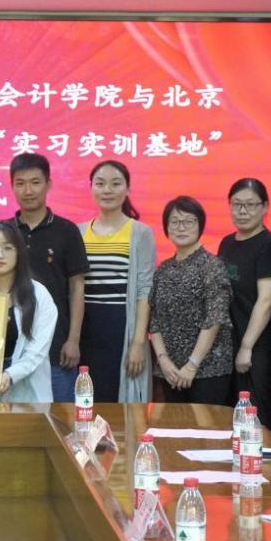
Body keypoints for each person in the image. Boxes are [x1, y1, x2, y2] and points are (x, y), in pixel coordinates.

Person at [7, 154, 88, 401]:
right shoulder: (4, 232)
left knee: (60, 418)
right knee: (12, 420)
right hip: (11, 352)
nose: (28, 190)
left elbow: (77, 288)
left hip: (56, 349)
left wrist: (73, 340)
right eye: (20, 183)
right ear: (12, 186)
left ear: (48, 184)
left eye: (35, 182)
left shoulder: (67, 231)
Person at [77, 160, 155, 402]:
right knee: (86, 396)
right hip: (85, 327)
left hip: (121, 325)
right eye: (100, 184)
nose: (107, 190)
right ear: (91, 188)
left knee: (117, 400)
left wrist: (138, 342)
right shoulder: (78, 231)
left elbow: (145, 290)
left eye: (116, 183)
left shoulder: (140, 232)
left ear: (128, 189)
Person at [149, 196, 233, 404]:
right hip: (170, 372)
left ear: (200, 225)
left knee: (205, 425)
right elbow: (154, 320)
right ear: (166, 227)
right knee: (174, 424)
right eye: (175, 222)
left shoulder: (212, 266)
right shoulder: (163, 270)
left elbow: (215, 318)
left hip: (208, 370)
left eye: (188, 221)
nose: (181, 228)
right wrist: (163, 360)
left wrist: (192, 364)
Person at [218, 178, 271, 423]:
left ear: (265, 207)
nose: (242, 211)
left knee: (253, 418)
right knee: (228, 416)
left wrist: (246, 346)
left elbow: (267, 300)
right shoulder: (227, 243)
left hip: (256, 346)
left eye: (250, 205)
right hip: (228, 344)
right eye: (236, 204)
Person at [0, 222, 56, 403]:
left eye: (7, 248)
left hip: (28, 397)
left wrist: (10, 375)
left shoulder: (39, 295)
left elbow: (38, 350)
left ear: (19, 252)